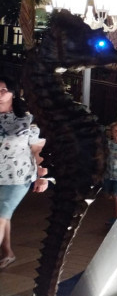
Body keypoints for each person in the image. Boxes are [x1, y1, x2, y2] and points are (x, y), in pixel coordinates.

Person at [0, 75, 48, 270]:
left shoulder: (27, 120)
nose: (0, 94)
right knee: (3, 215)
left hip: (18, 177)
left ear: (13, 93)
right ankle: (8, 253)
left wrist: (43, 177)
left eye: (4, 90)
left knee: (1, 215)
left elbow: (38, 151)